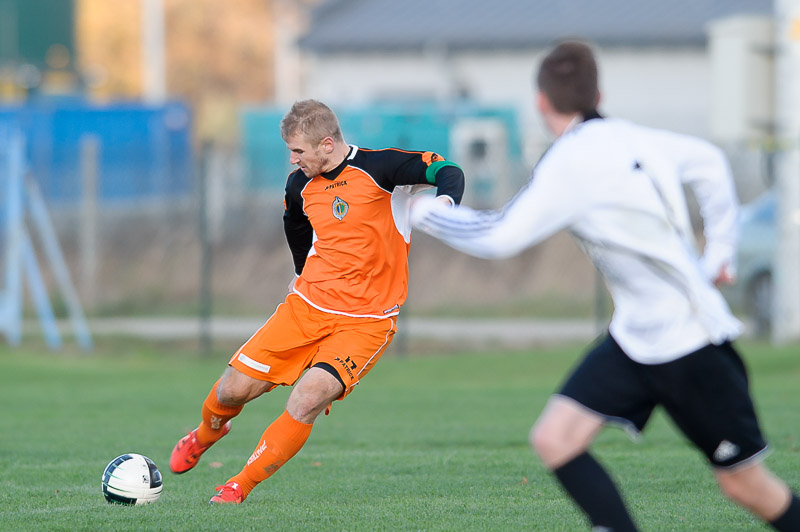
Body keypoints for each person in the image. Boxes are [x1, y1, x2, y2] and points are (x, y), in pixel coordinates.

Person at [410, 41, 800, 531]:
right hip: (636, 339)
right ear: (599, 92)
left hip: (690, 344)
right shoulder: (633, 137)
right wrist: (718, 253)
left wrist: (424, 212)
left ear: (541, 102)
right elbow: (708, 162)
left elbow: (500, 237)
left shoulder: (571, 162)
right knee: (556, 439)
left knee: (747, 487)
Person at [170, 99, 464, 504]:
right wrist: (300, 270)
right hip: (306, 308)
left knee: (308, 396)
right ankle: (205, 434)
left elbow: (446, 170)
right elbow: (295, 225)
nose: (293, 160)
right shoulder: (299, 184)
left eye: (298, 151)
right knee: (231, 391)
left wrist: (446, 205)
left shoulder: (383, 168)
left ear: (327, 144)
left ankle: (239, 486)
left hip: (367, 320)